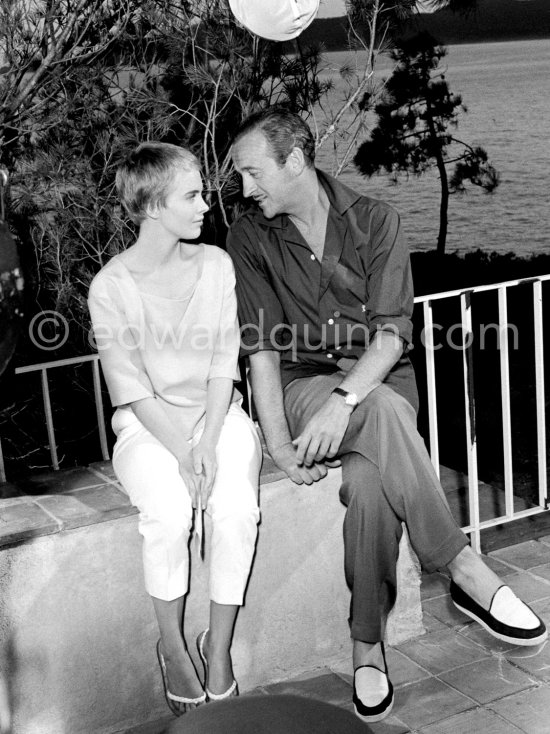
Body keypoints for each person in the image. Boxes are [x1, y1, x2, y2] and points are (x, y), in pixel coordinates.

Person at [226, 107, 547, 724]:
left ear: (294, 161)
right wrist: (280, 444)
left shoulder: (375, 220)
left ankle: (365, 646)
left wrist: (347, 399)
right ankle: (462, 564)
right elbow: (262, 351)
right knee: (382, 411)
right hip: (303, 387)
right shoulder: (250, 236)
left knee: (371, 486)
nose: (245, 188)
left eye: (252, 172)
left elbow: (393, 334)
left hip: (374, 385)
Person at [88, 142, 261, 717]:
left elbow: (222, 363)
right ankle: (173, 645)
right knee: (167, 510)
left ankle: (219, 646)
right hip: (146, 427)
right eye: (192, 195)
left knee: (234, 508)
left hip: (218, 416)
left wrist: (208, 442)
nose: (206, 205)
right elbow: (130, 388)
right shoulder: (110, 287)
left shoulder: (216, 265)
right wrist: (182, 455)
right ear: (154, 205)